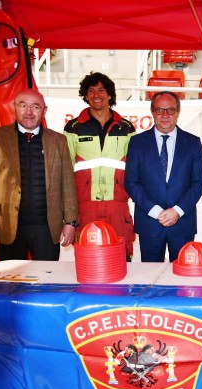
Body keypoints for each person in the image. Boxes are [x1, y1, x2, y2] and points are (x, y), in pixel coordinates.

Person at [0, 89, 78, 261]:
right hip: (7, 227)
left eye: (35, 106)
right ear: (14, 108)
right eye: (23, 105)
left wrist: (70, 223)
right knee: (10, 283)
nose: (29, 112)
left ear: (44, 110)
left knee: (46, 281)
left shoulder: (58, 140)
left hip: (47, 229)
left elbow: (68, 184)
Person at [124, 91, 202, 262]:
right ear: (152, 112)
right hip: (150, 223)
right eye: (160, 110)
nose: (165, 115)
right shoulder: (137, 143)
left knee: (183, 277)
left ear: (178, 111)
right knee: (151, 279)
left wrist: (177, 211)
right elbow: (132, 182)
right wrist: (156, 212)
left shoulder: (193, 143)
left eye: (170, 110)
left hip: (182, 223)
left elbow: (198, 182)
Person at [64, 72, 136, 259]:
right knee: (88, 256)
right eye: (91, 90)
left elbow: (136, 168)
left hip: (117, 205)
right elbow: (66, 170)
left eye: (102, 90)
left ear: (110, 95)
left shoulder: (126, 128)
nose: (97, 95)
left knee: (120, 255)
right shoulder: (73, 128)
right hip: (85, 206)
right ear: (85, 95)